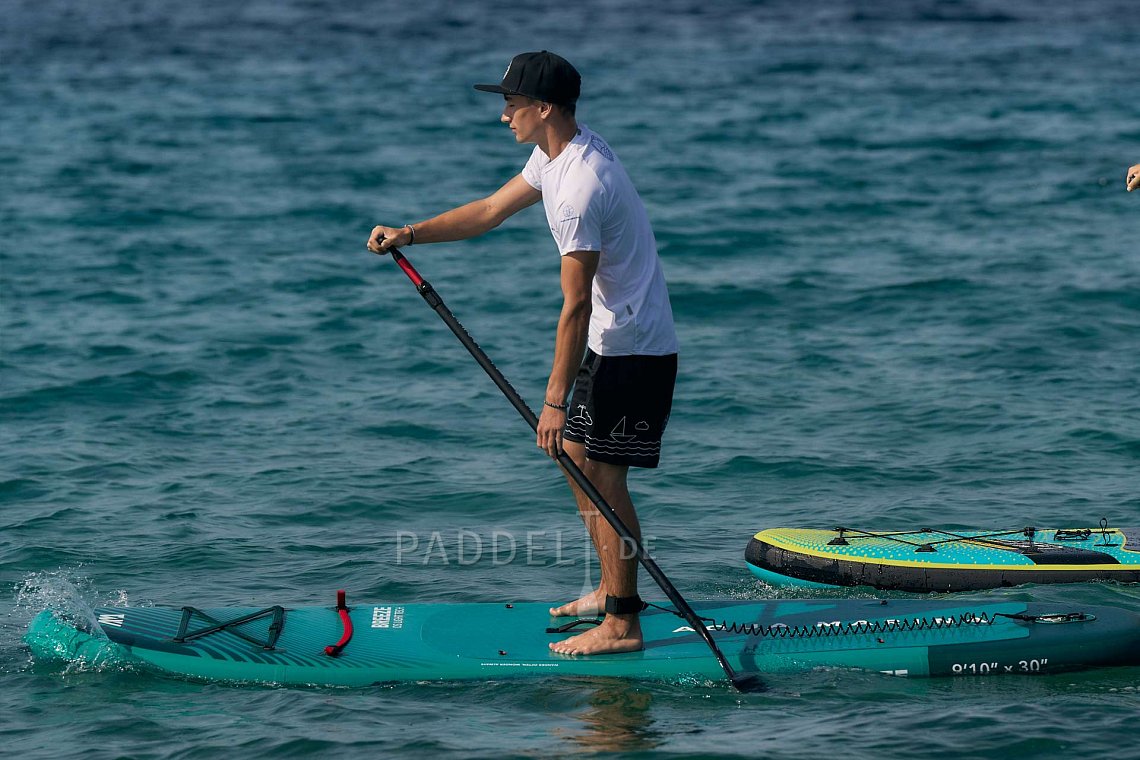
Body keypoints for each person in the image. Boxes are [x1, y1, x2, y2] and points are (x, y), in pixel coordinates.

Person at [367, 51, 678, 656]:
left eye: (510, 103)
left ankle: (623, 623)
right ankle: (611, 591)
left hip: (633, 350)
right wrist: (410, 232)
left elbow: (576, 306)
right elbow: (488, 212)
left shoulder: (580, 189)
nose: (503, 114)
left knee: (604, 479)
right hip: (610, 342)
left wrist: (553, 398)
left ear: (544, 109)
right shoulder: (555, 155)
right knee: (573, 460)